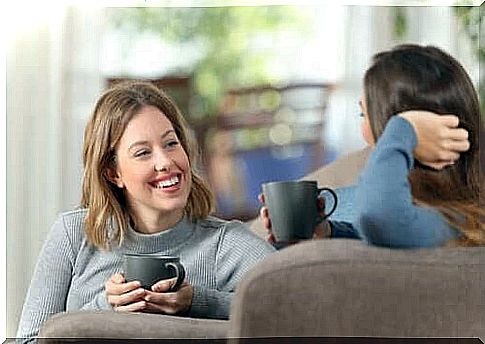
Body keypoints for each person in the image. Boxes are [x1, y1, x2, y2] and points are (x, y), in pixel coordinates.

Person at [17, 81, 275, 341]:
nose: (165, 162)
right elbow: (28, 340)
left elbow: (297, 305)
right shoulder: (73, 235)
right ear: (113, 173)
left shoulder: (225, 245)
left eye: (171, 143)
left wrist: (198, 302)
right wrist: (105, 309)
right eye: (142, 153)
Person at [261, 44, 483, 248]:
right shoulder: (445, 216)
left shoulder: (459, 223)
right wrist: (329, 232)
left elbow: (380, 221)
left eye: (364, 114)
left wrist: (404, 129)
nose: (365, 132)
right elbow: (391, 244)